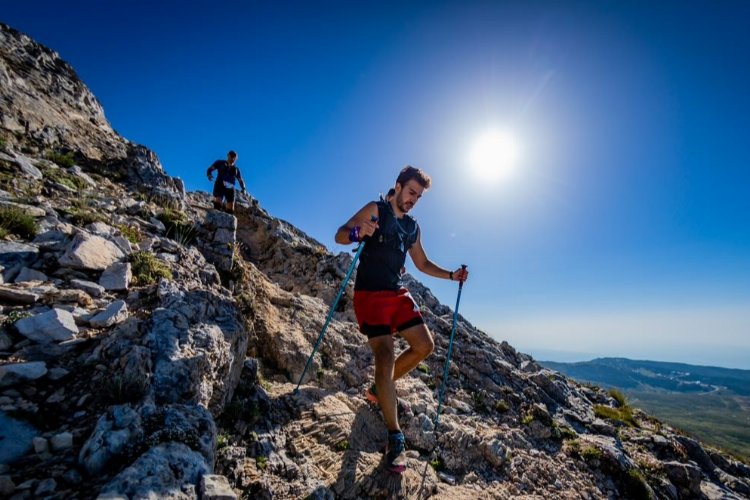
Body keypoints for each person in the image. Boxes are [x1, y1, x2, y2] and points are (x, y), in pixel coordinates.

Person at [335, 166, 469, 473]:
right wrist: (358, 233)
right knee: (385, 355)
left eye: (419, 197)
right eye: (411, 193)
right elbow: (340, 235)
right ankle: (395, 438)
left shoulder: (412, 227)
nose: (414, 200)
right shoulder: (376, 209)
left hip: (396, 294)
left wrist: (451, 275)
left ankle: (380, 389)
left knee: (425, 346)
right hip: (369, 295)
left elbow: (421, 263)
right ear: (398, 186)